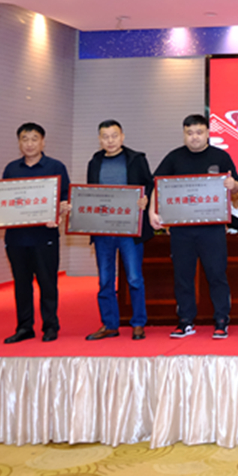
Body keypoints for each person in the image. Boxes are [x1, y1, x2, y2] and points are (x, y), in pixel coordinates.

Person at [150, 114, 238, 340]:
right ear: (184, 134)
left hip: (212, 228)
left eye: (199, 132)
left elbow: (237, 186)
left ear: (208, 133)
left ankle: (221, 320)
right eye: (189, 133)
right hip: (181, 229)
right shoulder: (174, 157)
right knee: (183, 276)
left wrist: (233, 185)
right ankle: (185, 321)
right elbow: (158, 185)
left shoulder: (220, 156)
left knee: (216, 274)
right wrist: (152, 211)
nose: (194, 137)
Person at [0, 123, 71, 344]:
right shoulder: (11, 169)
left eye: (34, 139)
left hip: (45, 236)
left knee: (48, 283)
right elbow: (2, 200)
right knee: (21, 284)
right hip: (16, 238)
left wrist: (62, 209)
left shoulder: (55, 166)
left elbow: (66, 197)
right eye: (25, 139)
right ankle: (24, 327)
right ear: (19, 142)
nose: (29, 144)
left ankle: (50, 326)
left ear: (43, 142)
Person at [84, 120, 155, 341]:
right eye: (105, 136)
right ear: (99, 139)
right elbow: (89, 193)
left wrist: (146, 198)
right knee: (105, 280)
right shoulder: (94, 162)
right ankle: (109, 324)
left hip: (130, 231)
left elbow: (150, 185)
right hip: (102, 231)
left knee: (134, 278)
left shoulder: (136, 159)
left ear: (122, 137)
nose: (110, 140)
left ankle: (138, 323)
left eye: (114, 136)